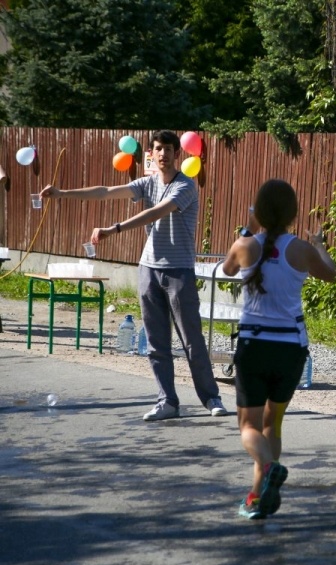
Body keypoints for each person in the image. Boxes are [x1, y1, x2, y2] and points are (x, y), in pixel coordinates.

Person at [41, 130, 228, 422]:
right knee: (156, 341)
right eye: (158, 149)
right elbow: (106, 191)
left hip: (178, 270)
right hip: (148, 269)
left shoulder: (186, 185)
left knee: (191, 339)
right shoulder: (147, 183)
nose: (163, 154)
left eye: (168, 149)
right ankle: (167, 401)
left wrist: (113, 229)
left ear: (176, 154)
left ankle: (211, 397)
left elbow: (157, 212)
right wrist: (62, 193)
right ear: (151, 154)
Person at [222, 179, 336, 519]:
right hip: (290, 348)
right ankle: (257, 497)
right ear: (292, 213)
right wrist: (319, 245)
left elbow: (227, 269)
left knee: (248, 427)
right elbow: (330, 274)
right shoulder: (301, 249)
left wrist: (248, 228)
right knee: (273, 423)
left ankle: (270, 469)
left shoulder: (244, 245)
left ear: (259, 210)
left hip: (254, 345)